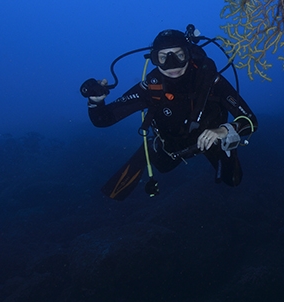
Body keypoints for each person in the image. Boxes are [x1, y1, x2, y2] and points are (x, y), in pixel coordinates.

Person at [80, 28, 258, 200]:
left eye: (179, 55)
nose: (172, 65)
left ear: (189, 54)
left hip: (211, 140)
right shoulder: (152, 87)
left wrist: (225, 130)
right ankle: (153, 146)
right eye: (163, 57)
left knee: (233, 181)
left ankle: (225, 147)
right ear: (154, 59)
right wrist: (95, 103)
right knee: (164, 168)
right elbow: (104, 120)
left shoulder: (209, 79)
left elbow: (250, 121)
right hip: (173, 145)